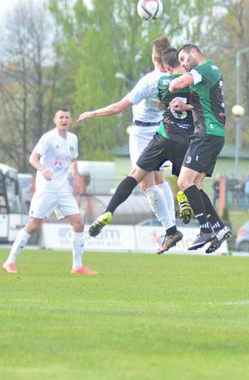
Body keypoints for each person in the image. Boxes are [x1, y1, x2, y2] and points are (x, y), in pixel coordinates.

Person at [82, 47, 194, 254]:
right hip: (181, 136)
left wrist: (94, 113)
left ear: (161, 62)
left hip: (156, 135)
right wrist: (188, 106)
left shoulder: (156, 82)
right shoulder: (192, 80)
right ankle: (183, 211)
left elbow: (119, 107)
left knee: (139, 178)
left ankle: (112, 211)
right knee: (170, 180)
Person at [2, 109, 97, 275]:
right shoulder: (48, 138)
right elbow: (33, 158)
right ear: (55, 120)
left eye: (67, 117)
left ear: (70, 120)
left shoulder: (73, 138)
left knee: (78, 223)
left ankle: (77, 266)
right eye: (61, 117)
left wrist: (76, 177)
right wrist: (43, 169)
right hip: (47, 188)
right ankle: (9, 262)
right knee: (32, 226)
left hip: (63, 189)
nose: (64, 120)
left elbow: (73, 160)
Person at [165, 43, 231, 254]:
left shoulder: (203, 69)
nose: (183, 64)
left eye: (184, 59)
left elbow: (178, 84)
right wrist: (186, 106)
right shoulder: (212, 71)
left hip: (206, 134)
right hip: (213, 134)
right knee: (196, 185)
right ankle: (218, 228)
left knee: (184, 182)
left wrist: (170, 84)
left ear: (194, 53)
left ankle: (205, 228)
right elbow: (208, 104)